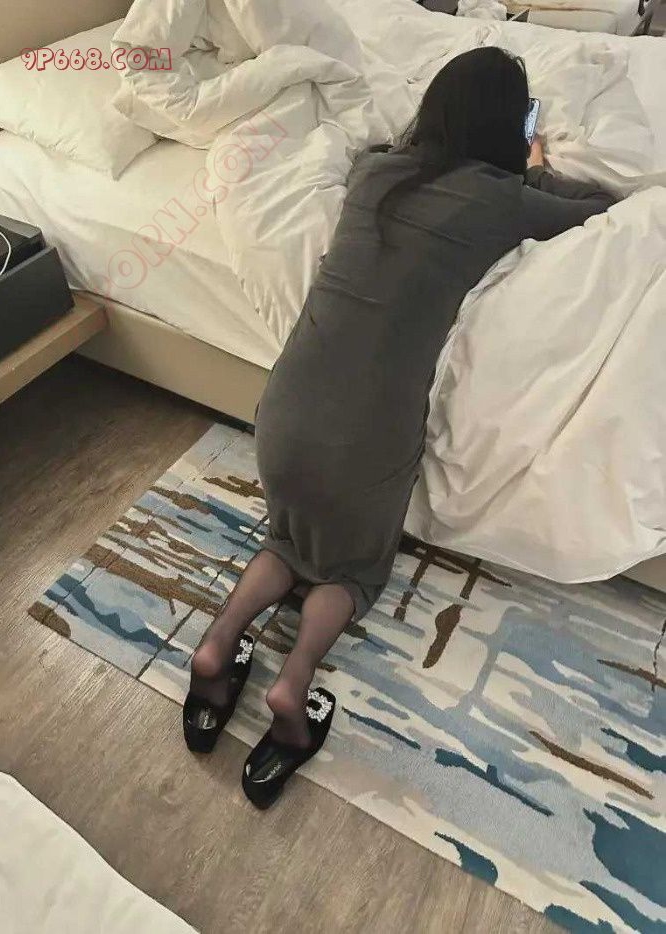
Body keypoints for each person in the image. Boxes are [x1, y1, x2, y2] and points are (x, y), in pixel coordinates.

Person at [183, 46, 616, 807]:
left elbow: (377, 150)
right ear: (506, 128)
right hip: (368, 433)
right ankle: (291, 690)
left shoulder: (376, 174)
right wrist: (533, 167)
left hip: (284, 408)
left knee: (287, 538)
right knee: (349, 573)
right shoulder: (500, 199)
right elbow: (597, 210)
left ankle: (218, 647)